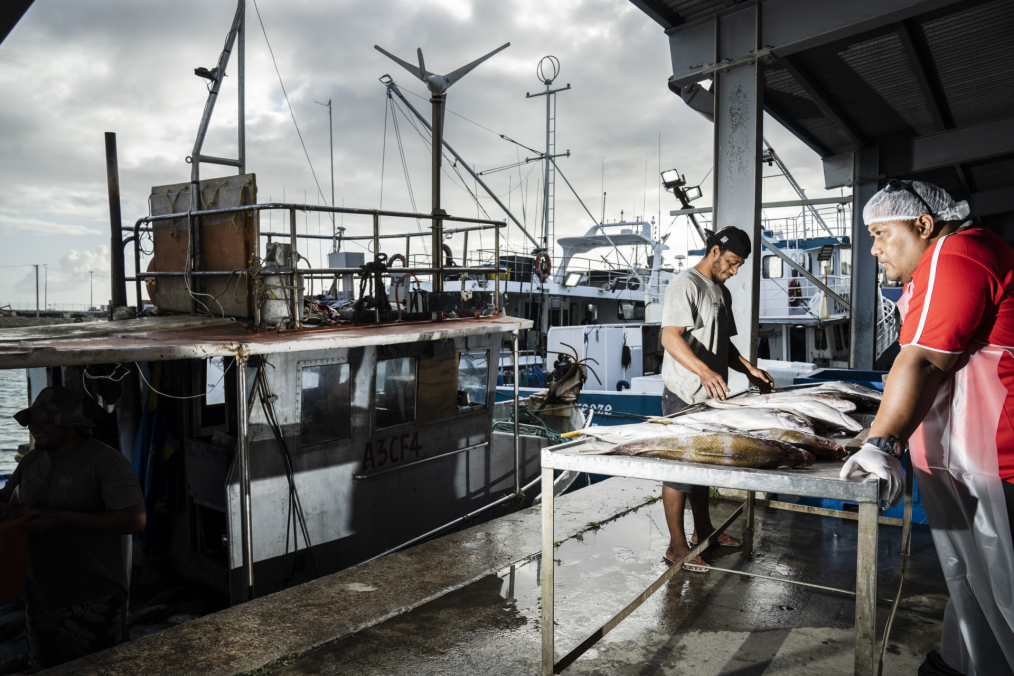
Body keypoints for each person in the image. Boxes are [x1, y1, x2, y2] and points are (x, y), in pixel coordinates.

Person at [840, 180, 1014, 675]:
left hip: (999, 466)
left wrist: (881, 442)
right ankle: (968, 663)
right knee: (976, 580)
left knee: (1004, 582)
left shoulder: (956, 253)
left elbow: (921, 362)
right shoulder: (953, 259)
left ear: (923, 225)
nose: (873, 249)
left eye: (880, 233)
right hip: (974, 463)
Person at [0, 386, 145, 670]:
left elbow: (135, 520)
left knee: (99, 669)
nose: (33, 426)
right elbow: (8, 503)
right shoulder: (31, 461)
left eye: (44, 421)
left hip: (94, 594)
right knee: (48, 668)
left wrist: (66, 518)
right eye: (31, 419)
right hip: (40, 595)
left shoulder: (106, 461)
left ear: (71, 425)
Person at [659, 226, 774, 571]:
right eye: (732, 262)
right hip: (683, 394)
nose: (734, 271)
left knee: (702, 466)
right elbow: (669, 337)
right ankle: (676, 545)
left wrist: (749, 369)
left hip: (709, 399)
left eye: (739, 265)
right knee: (679, 470)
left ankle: (704, 531)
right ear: (714, 251)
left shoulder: (721, 292)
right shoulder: (685, 284)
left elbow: (725, 344)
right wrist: (704, 372)